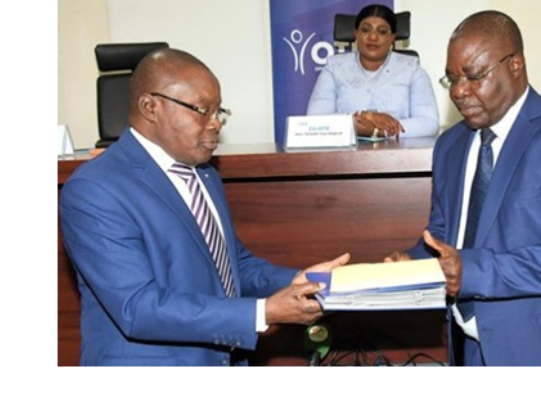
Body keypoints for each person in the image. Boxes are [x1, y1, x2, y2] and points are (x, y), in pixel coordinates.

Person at [59, 48, 349, 366]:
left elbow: (232, 265)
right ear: (150, 107)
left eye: (218, 111)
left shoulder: (205, 175)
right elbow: (138, 307)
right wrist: (263, 312)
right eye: (202, 110)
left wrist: (298, 280)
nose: (215, 124)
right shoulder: (95, 189)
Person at [385, 11, 541, 366]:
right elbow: (443, 233)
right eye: (452, 79)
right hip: (473, 350)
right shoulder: (449, 145)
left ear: (515, 64)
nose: (459, 91)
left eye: (474, 76)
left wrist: (473, 272)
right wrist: (414, 263)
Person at [306, 4, 439, 139]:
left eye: (382, 32)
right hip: (345, 151)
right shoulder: (334, 68)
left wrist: (379, 132)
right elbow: (315, 120)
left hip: (398, 150)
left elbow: (429, 123)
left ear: (392, 38)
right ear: (356, 34)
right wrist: (368, 116)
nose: (373, 37)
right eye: (366, 30)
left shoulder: (412, 70)